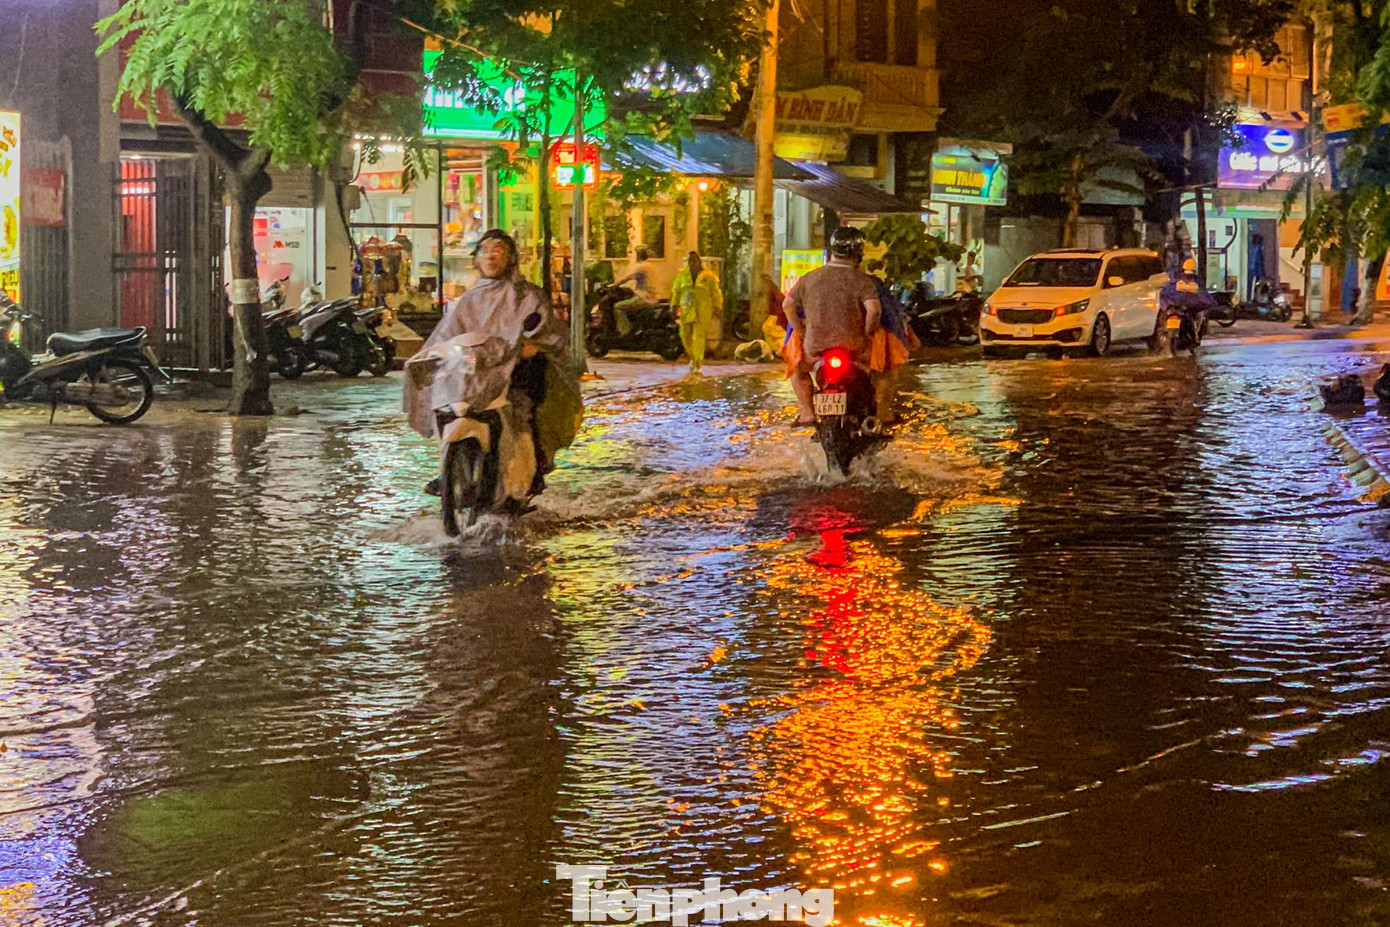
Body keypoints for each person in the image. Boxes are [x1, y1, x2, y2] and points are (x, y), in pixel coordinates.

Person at [404, 229, 581, 495]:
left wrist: (533, 346)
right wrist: (431, 354)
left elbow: (549, 333)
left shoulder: (528, 296)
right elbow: (447, 335)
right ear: (476, 259)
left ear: (510, 259)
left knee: (525, 411)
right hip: (475, 373)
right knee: (445, 406)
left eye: (498, 250)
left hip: (515, 372)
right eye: (485, 250)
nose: (491, 256)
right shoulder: (468, 299)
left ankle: (533, 470)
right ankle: (447, 471)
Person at [782, 227, 884, 425]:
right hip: (854, 347)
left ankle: (807, 412)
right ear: (858, 253)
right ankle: (877, 415)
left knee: (798, 370)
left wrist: (801, 332)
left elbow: (788, 305)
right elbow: (874, 310)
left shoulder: (810, 278)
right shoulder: (862, 281)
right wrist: (868, 332)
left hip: (816, 348)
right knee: (880, 370)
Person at [670, 251, 724, 374]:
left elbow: (715, 293)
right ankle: (693, 357)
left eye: (695, 261)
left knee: (699, 337)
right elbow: (676, 291)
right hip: (686, 309)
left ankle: (697, 364)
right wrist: (674, 306)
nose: (692, 263)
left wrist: (717, 307)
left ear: (699, 262)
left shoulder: (708, 277)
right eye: (690, 261)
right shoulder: (682, 275)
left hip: (703, 310)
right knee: (685, 336)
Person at [613, 247, 658, 334]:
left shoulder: (641, 267)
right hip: (653, 297)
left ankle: (625, 331)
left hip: (643, 297)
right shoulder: (651, 266)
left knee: (618, 307)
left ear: (638, 256)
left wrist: (614, 285)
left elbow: (627, 278)